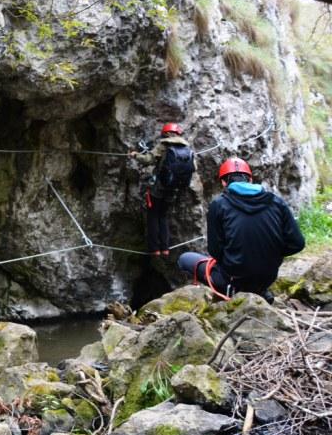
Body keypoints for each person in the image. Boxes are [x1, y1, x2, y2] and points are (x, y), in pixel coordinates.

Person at [177, 157, 304, 302]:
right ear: (250, 179)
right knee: (254, 269)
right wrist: (272, 252)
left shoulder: (219, 205)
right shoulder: (276, 202)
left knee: (185, 259)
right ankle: (260, 292)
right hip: (266, 278)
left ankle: (232, 293)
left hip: (233, 280)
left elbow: (215, 251)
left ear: (224, 182)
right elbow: (297, 243)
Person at [129, 122, 194, 255]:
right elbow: (194, 168)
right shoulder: (187, 149)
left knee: (153, 215)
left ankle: (155, 249)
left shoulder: (164, 145)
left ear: (166, 133)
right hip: (174, 188)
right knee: (163, 216)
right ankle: (165, 248)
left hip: (159, 187)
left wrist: (135, 155)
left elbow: (148, 159)